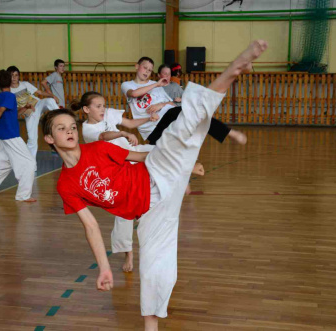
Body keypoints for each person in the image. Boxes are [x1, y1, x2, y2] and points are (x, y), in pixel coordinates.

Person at [42, 40, 267, 330]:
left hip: (155, 174)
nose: (70, 131)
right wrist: (104, 267)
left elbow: (142, 154)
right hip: (150, 212)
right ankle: (151, 326)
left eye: (71, 127)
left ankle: (234, 68)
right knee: (155, 268)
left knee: (183, 123)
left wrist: (181, 165)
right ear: (50, 139)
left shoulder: (98, 149)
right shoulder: (66, 185)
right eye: (61, 129)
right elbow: (91, 226)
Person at [72, 91, 158, 273]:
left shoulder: (109, 113)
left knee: (161, 150)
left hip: (133, 153)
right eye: (98, 106)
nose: (102, 109)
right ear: (86, 109)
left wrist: (149, 118)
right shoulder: (87, 129)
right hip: (117, 169)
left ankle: (184, 176)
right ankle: (128, 253)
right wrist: (123, 133)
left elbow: (132, 123)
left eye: (103, 105)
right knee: (125, 211)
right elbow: (104, 136)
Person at [122, 58, 247, 146]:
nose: (147, 71)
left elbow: (172, 103)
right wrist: (156, 85)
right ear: (137, 66)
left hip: (168, 122)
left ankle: (228, 132)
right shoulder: (127, 85)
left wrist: (161, 104)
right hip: (151, 130)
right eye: (145, 68)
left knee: (194, 112)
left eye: (150, 70)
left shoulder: (156, 85)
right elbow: (134, 94)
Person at [0, 70, 37, 202]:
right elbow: (1, 111)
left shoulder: (1, 96)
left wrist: (24, 107)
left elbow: (11, 115)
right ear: (10, 81)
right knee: (29, 163)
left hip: (4, 136)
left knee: (3, 163)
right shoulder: (9, 96)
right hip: (11, 136)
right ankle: (23, 195)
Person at [7, 65, 60, 158]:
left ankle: (61, 117)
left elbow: (40, 92)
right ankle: (31, 163)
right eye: (12, 75)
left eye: (16, 75)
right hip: (30, 112)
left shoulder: (25, 84)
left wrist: (52, 96)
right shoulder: (9, 91)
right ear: (8, 76)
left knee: (50, 101)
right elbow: (15, 111)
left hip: (38, 105)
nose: (14, 77)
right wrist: (25, 107)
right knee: (32, 138)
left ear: (19, 76)